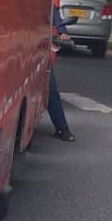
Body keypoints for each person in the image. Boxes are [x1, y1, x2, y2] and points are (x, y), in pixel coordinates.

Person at [46, 7, 75, 141]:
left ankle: (62, 128)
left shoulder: (46, 2)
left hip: (38, 49)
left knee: (50, 87)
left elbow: (54, 12)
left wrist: (63, 32)